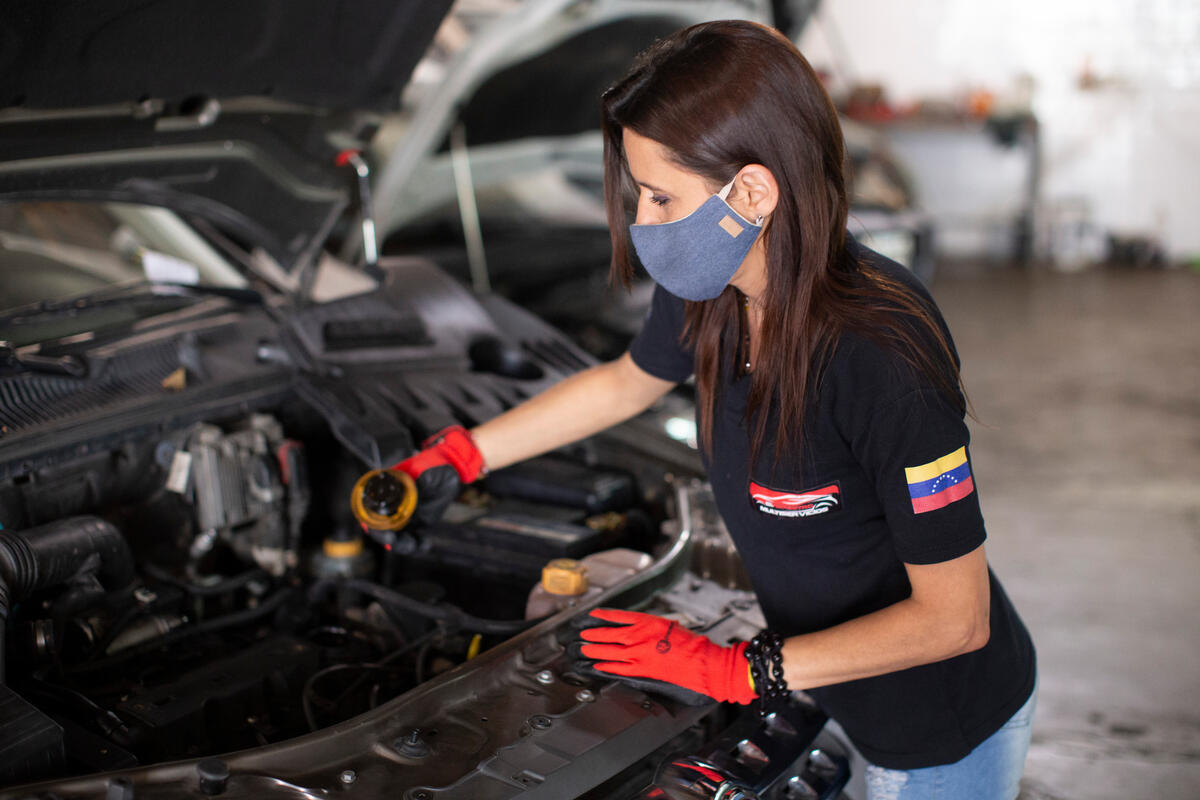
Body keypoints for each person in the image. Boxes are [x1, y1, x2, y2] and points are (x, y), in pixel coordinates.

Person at [394, 20, 1036, 800]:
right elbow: (624, 384)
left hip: (935, 726)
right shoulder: (718, 288)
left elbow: (954, 619)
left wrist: (738, 669)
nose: (646, 222)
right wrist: (463, 455)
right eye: (641, 195)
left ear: (754, 192)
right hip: (827, 682)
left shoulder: (882, 356)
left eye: (663, 196)